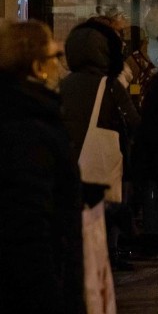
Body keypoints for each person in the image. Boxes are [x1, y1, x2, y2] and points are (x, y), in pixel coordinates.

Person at [0, 20, 85, 313]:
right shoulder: (29, 125)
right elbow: (29, 225)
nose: (58, 66)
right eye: (54, 57)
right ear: (37, 67)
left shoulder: (22, 114)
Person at [61, 17, 141, 275]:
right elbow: (132, 121)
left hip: (73, 158)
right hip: (102, 160)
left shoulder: (63, 85)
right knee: (109, 210)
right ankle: (109, 253)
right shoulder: (109, 87)